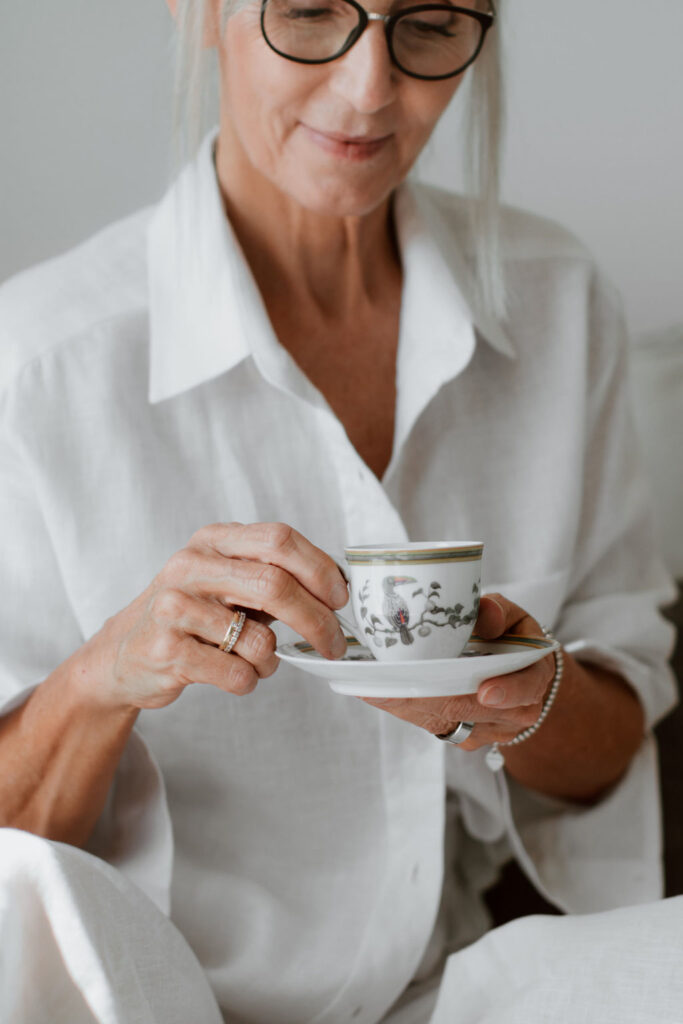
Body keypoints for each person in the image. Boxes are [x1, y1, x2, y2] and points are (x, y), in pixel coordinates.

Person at [0, 0, 677, 1021]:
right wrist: (105, 675)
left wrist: (515, 695)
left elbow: (611, 746)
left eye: (431, 24)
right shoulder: (40, 366)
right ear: (202, 14)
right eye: (311, 13)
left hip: (447, 993)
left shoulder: (558, 304)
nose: (370, 89)